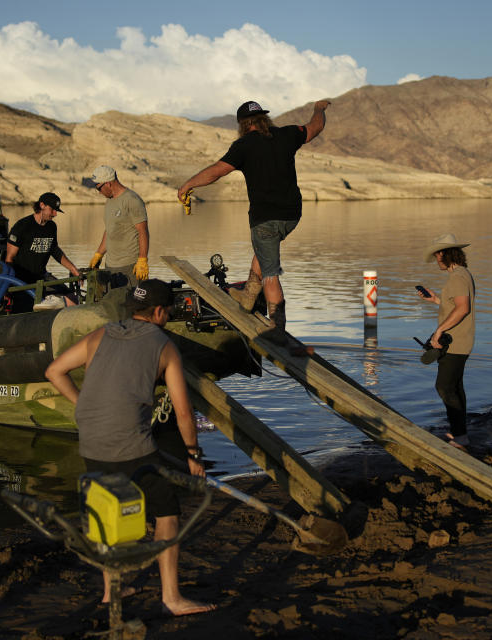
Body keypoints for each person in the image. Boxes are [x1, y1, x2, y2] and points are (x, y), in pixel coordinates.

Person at [44, 279, 215, 617]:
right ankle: (172, 598)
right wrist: (193, 455)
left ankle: (112, 591)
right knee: (167, 512)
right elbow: (183, 413)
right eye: (168, 311)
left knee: (108, 509)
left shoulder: (101, 334)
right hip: (130, 442)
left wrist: (83, 406)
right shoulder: (164, 346)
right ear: (159, 312)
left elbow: (54, 371)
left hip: (91, 438)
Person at [177, 99, 331, 343]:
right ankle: (248, 296)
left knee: (270, 273)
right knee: (264, 249)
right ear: (264, 119)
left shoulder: (243, 146)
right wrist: (319, 109)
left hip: (265, 218)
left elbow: (217, 171)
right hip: (292, 215)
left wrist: (188, 184)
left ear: (242, 124)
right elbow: (315, 127)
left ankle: (277, 329)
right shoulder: (287, 134)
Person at [418, 233, 476, 450]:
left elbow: (463, 308)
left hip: (455, 342)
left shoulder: (458, 277)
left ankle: (460, 437)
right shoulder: (462, 274)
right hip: (460, 340)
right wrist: (436, 300)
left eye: (436, 256)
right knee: (455, 387)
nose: (436, 261)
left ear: (443, 254)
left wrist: (439, 331)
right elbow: (456, 306)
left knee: (443, 386)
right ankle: (459, 432)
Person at [5, 192, 81, 308]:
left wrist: (73, 269)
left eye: (57, 210)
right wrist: (6, 287)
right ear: (42, 205)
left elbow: (55, 250)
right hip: (21, 279)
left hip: (41, 276)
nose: (55, 214)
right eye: (53, 210)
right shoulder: (22, 226)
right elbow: (9, 258)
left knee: (72, 299)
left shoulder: (52, 227)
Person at [84, 166, 150, 289]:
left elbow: (143, 231)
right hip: (111, 266)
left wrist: (142, 260)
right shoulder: (109, 201)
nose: (98, 192)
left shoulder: (131, 200)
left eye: (98, 188)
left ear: (108, 184)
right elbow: (109, 230)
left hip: (130, 266)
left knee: (131, 304)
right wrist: (98, 254)